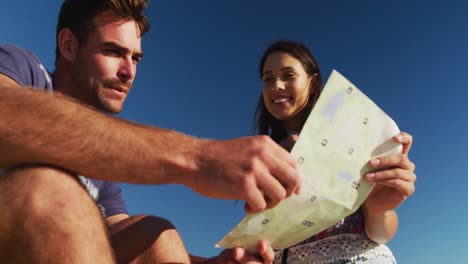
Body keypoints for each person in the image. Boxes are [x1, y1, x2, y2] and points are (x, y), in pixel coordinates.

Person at [0, 1, 303, 263]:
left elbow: (115, 239)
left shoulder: (101, 170)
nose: (129, 72)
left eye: (135, 58)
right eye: (113, 51)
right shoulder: (24, 70)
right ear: (68, 45)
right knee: (52, 191)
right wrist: (196, 157)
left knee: (154, 234)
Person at [252, 40, 416, 264]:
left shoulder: (353, 134)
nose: (276, 85)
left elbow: (379, 234)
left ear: (313, 81)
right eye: (268, 78)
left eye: (288, 75)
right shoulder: (256, 159)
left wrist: (379, 211)